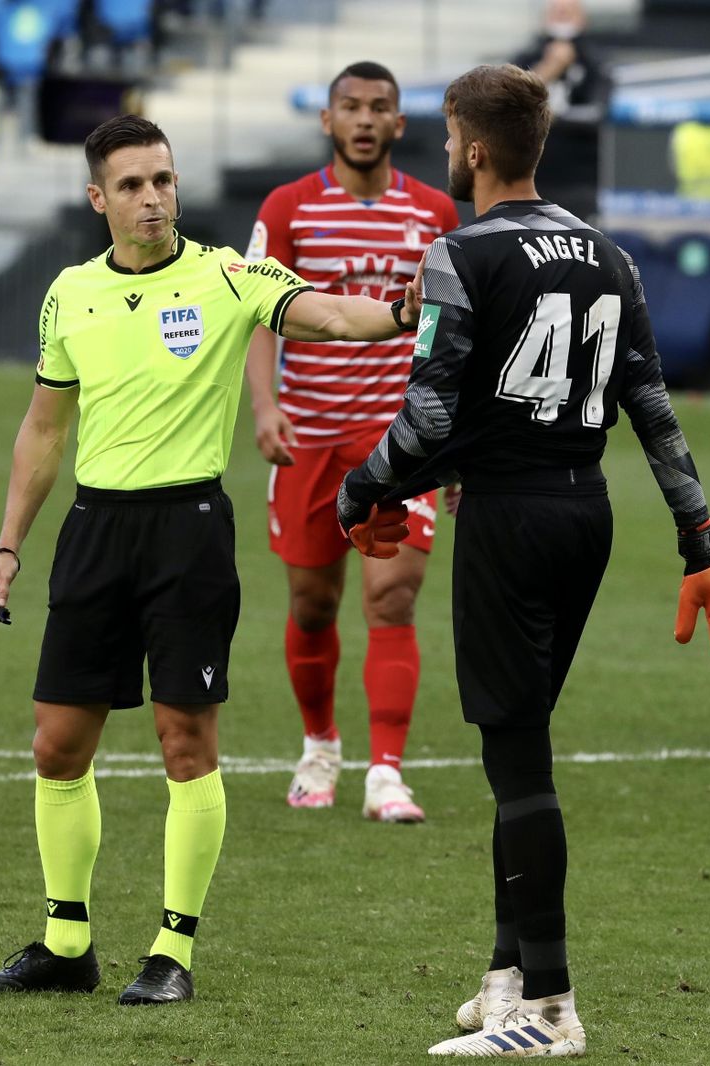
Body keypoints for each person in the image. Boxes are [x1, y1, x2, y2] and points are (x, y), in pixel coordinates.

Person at [334, 65, 710, 1057]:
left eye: (450, 138)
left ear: (476, 148)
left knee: (517, 759)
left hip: (509, 520)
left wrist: (362, 491)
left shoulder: (459, 252)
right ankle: (507, 975)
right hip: (585, 515)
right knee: (517, 744)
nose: (447, 152)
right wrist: (702, 544)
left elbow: (429, 417)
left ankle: (552, 1008)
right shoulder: (611, 255)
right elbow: (653, 411)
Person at [0, 114, 427, 1006]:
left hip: (189, 533)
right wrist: (8, 542)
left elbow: (332, 315)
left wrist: (402, 311)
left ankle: (172, 951)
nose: (153, 198)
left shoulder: (229, 275)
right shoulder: (69, 292)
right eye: (132, 185)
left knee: (186, 741)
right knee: (57, 744)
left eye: (163, 180)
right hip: (94, 532)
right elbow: (45, 429)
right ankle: (66, 944)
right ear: (97, 198)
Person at [244, 60, 460, 823]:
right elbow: (258, 313)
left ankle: (386, 773)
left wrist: (457, 440)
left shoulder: (435, 211)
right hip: (307, 436)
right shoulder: (289, 207)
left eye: (378, 108)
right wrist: (265, 407)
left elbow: (456, 329)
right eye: (350, 107)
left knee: (392, 597)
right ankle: (320, 746)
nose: (364, 120)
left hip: (400, 439)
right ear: (327, 120)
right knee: (312, 605)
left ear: (399, 124)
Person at [508, 0, 609, 223]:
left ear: (583, 19)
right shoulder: (526, 57)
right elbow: (509, 103)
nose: (562, 16)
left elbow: (597, 112)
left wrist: (551, 117)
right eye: (556, 12)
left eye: (568, 12)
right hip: (529, 175)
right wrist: (550, 68)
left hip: (578, 178)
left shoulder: (594, 61)